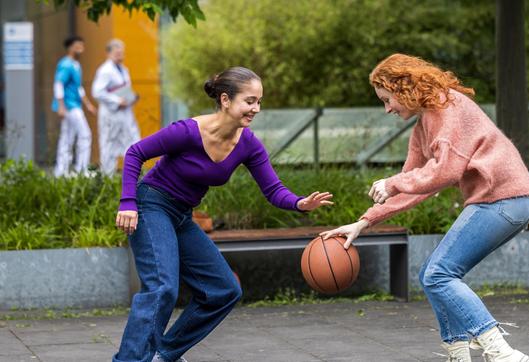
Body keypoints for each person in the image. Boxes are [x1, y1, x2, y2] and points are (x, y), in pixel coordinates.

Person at [320, 54, 529, 362]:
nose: (387, 109)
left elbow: (445, 171)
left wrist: (393, 183)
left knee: (439, 274)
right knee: (433, 275)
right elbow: (417, 184)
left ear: (402, 87)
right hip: (505, 200)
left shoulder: (443, 107)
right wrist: (364, 222)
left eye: (386, 99)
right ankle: (459, 353)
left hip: (503, 198)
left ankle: (502, 353)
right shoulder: (425, 125)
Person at [113, 67, 334, 362]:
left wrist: (299, 203)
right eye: (250, 101)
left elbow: (273, 189)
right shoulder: (188, 131)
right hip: (151, 205)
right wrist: (128, 202)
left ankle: (163, 353)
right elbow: (135, 153)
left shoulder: (247, 144)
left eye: (259, 102)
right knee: (162, 287)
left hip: (181, 215)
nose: (256, 109)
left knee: (224, 289)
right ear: (226, 100)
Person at [92, 38, 141, 175]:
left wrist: (131, 98)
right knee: (109, 144)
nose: (120, 55)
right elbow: (97, 92)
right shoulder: (105, 70)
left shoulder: (124, 69)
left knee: (133, 141)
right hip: (110, 113)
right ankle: (108, 177)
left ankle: (133, 175)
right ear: (109, 53)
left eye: (122, 53)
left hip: (125, 113)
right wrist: (117, 100)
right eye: (117, 53)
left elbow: (125, 88)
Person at [51, 35, 96, 177]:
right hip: (70, 106)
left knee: (67, 138)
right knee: (85, 135)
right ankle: (81, 169)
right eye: (78, 45)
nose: (81, 47)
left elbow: (78, 87)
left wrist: (88, 104)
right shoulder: (66, 64)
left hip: (74, 105)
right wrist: (61, 106)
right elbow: (58, 84)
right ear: (70, 47)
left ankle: (61, 171)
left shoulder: (76, 65)